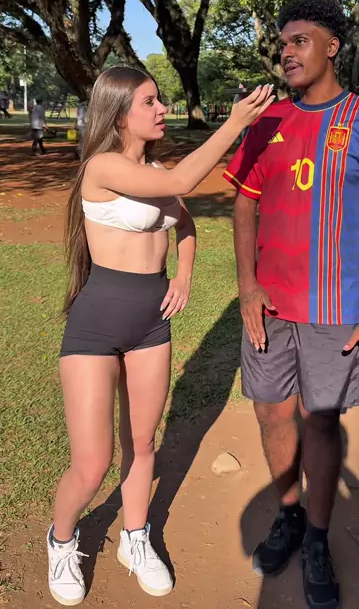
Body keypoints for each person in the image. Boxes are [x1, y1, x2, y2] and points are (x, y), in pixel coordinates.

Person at [223, 0, 359, 609]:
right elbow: (244, 203)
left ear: (332, 47)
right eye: (282, 43)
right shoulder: (267, 122)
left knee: (320, 420)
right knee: (270, 414)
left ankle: (315, 537)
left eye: (300, 41)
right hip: (269, 308)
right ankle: (287, 514)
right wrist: (248, 286)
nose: (286, 52)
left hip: (336, 310)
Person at [46, 66, 273, 607]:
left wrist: (184, 275)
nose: (162, 108)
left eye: (160, 99)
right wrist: (235, 122)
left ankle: (135, 536)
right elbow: (181, 185)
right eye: (149, 101)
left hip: (151, 325)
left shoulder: (152, 169)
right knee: (92, 463)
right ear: (119, 113)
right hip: (96, 327)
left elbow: (184, 222)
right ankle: (61, 540)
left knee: (143, 445)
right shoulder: (102, 166)